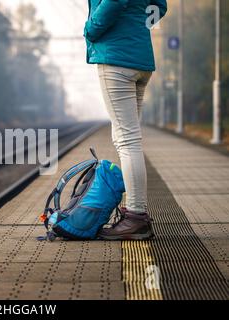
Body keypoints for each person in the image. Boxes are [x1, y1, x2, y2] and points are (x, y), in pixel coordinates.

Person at [84, 0, 168, 240]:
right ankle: (136, 214)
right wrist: (137, 27)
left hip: (116, 59)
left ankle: (135, 217)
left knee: (126, 141)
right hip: (140, 61)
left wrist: (90, 29)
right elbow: (160, 6)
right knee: (131, 140)